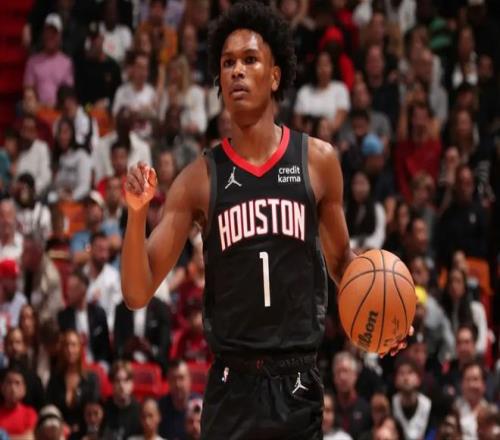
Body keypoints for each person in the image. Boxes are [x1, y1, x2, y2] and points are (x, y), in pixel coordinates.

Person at [121, 2, 409, 438]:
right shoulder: (198, 179)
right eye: (227, 63)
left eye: (250, 59)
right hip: (231, 386)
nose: (237, 70)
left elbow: (341, 264)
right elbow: (137, 291)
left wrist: (386, 312)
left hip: (297, 384)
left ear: (275, 76)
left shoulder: (317, 161)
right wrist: (136, 213)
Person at [57, 269, 112, 367]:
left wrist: (101, 366)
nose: (68, 293)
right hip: (72, 366)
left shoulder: (98, 314)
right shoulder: (63, 316)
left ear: (83, 290)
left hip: (96, 364)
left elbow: (105, 349)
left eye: (72, 289)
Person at [23, 13, 74, 107]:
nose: (50, 36)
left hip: (59, 110)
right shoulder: (33, 61)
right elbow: (28, 89)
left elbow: (68, 92)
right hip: (38, 109)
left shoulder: (67, 63)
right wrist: (32, 102)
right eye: (48, 32)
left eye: (54, 33)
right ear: (43, 34)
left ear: (60, 36)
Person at [332, 351, 371, 438]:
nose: (342, 377)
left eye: (346, 371)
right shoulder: (329, 409)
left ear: (355, 375)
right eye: (338, 372)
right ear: (334, 377)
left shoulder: (366, 409)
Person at [391, 358, 432, 440]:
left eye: (410, 373)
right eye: (401, 373)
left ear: (418, 379)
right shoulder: (391, 403)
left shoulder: (427, 405)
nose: (406, 378)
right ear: (395, 380)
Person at [158, 359, 197, 440]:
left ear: (190, 379)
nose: (177, 384)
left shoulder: (201, 406)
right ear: (168, 381)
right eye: (173, 379)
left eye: (181, 378)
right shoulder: (160, 408)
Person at [102, 361, 142, 440]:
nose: (122, 385)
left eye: (126, 380)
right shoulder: (104, 408)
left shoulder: (140, 411)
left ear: (132, 384)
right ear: (112, 383)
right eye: (117, 381)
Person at [0, 364, 38, 438]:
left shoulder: (30, 414)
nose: (13, 388)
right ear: (2, 387)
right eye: (9, 382)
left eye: (17, 383)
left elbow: (29, 438)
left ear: (24, 389)